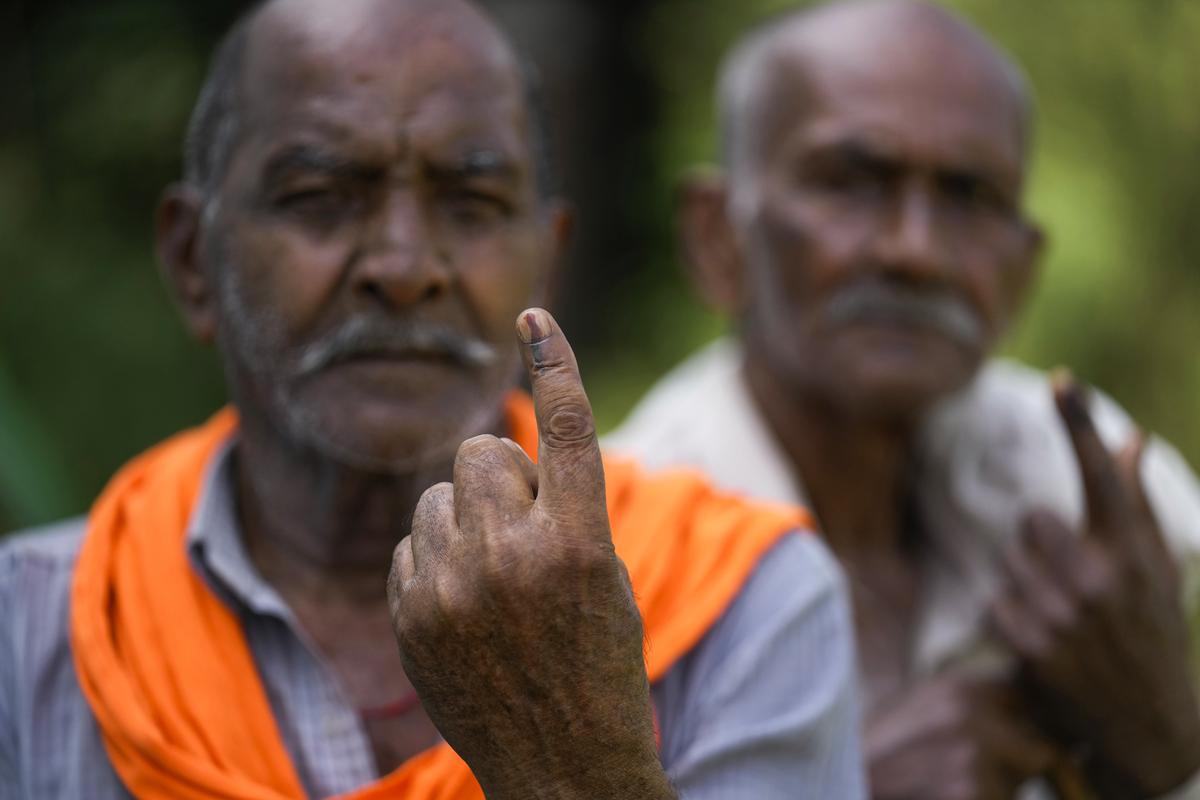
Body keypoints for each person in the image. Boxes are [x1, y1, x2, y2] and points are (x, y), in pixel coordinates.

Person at [0, 0, 867, 798]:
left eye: (472, 203)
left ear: (545, 261)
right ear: (194, 260)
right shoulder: (33, 628)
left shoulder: (743, 601)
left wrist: (572, 758)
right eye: (320, 198)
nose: (406, 269)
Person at [607, 1, 1200, 798]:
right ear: (718, 238)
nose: (914, 251)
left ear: (1022, 268)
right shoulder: (612, 555)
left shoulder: (1076, 485)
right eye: (851, 183)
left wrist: (1162, 740)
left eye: (967, 196)